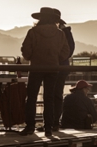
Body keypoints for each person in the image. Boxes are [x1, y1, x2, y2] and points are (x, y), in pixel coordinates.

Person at [20, 7, 70, 137]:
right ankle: (48, 127)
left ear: (40, 19)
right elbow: (66, 52)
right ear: (54, 19)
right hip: (53, 69)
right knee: (49, 98)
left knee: (31, 97)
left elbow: (26, 52)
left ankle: (30, 126)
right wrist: (55, 58)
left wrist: (33, 57)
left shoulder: (33, 32)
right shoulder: (60, 34)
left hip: (36, 68)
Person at [49, 14, 75, 132]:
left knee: (51, 95)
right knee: (57, 95)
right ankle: (54, 122)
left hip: (53, 67)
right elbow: (69, 50)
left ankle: (51, 121)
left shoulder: (58, 32)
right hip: (62, 67)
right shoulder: (65, 32)